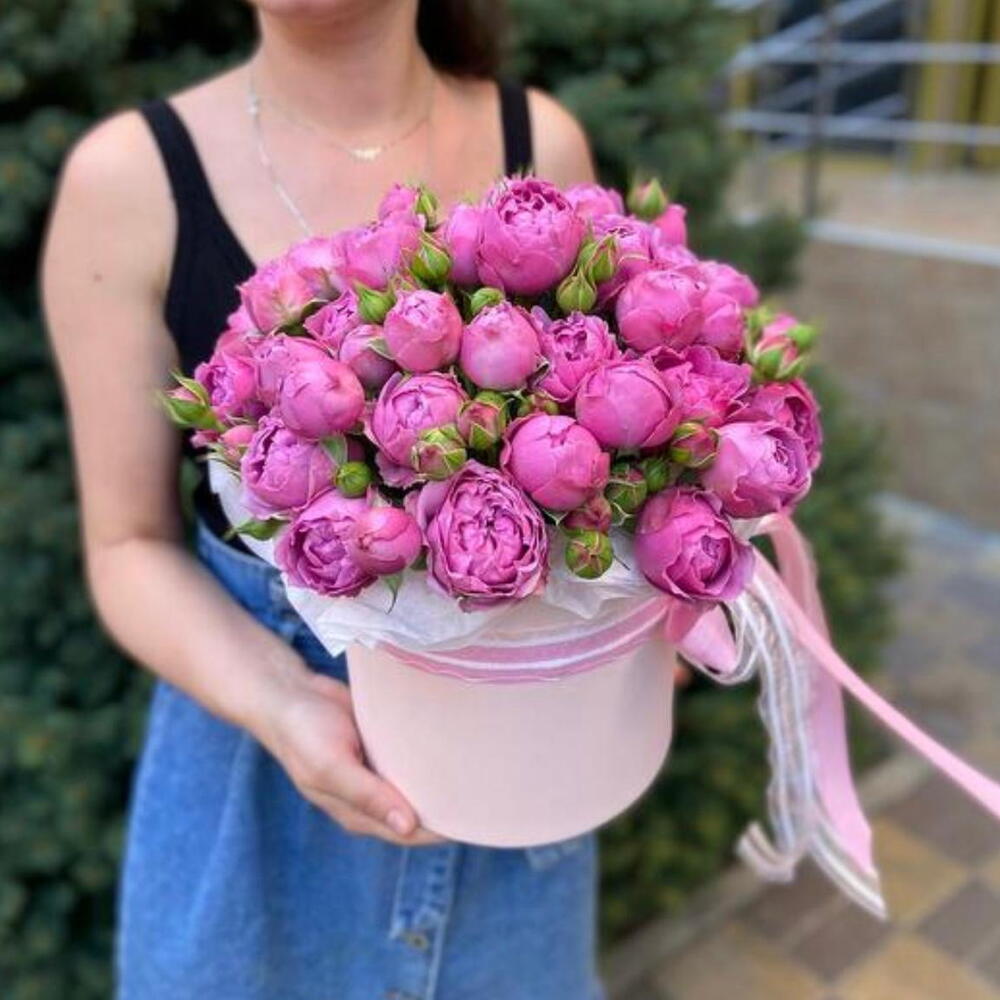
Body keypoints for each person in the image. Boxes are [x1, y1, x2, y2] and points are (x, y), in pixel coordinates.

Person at [41, 1, 603, 997]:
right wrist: (281, 698)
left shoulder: (541, 146)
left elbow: (621, 450)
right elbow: (127, 544)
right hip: (256, 806)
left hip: (517, 792)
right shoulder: (128, 180)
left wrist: (633, 621)